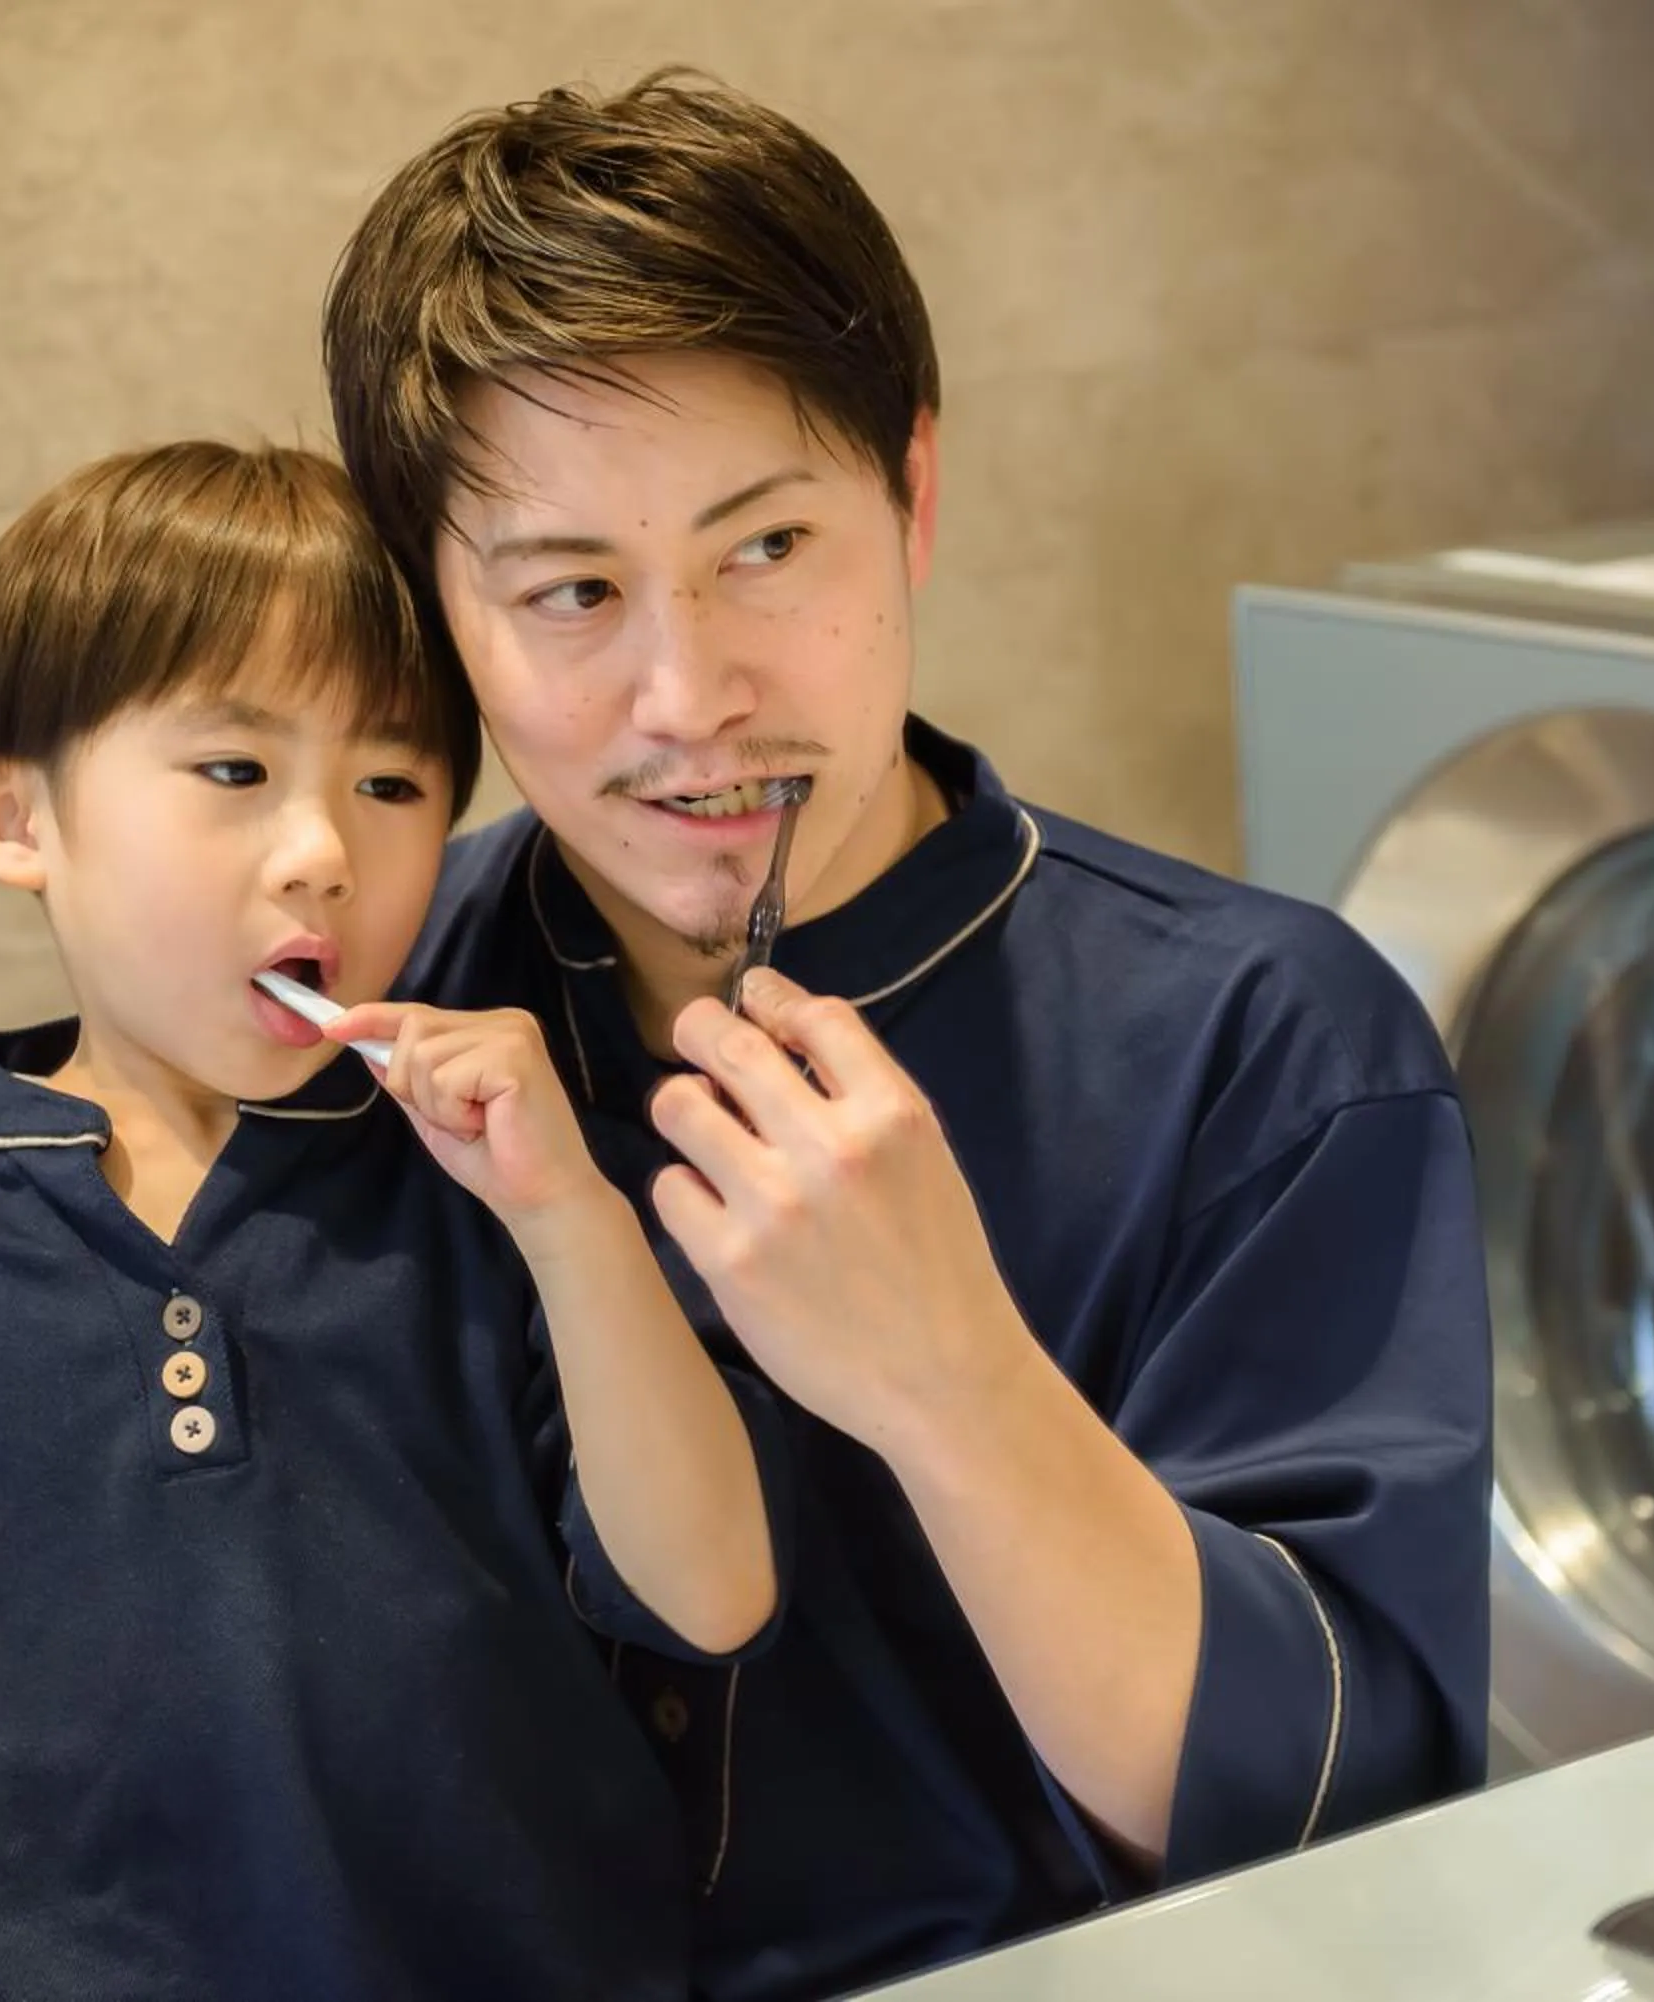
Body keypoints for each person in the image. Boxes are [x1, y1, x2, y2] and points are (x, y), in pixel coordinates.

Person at [316, 68, 1497, 2001]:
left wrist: (951, 1381)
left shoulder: (1268, 1049)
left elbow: (1339, 1837)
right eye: (575, 593)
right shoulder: (368, 1011)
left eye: (767, 549)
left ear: (913, 495)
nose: (689, 695)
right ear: (437, 611)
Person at [0, 441, 785, 2000]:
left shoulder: (490, 1189)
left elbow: (709, 1590)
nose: (326, 850)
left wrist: (569, 1217)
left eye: (392, 785)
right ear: (11, 813)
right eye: (236, 772)